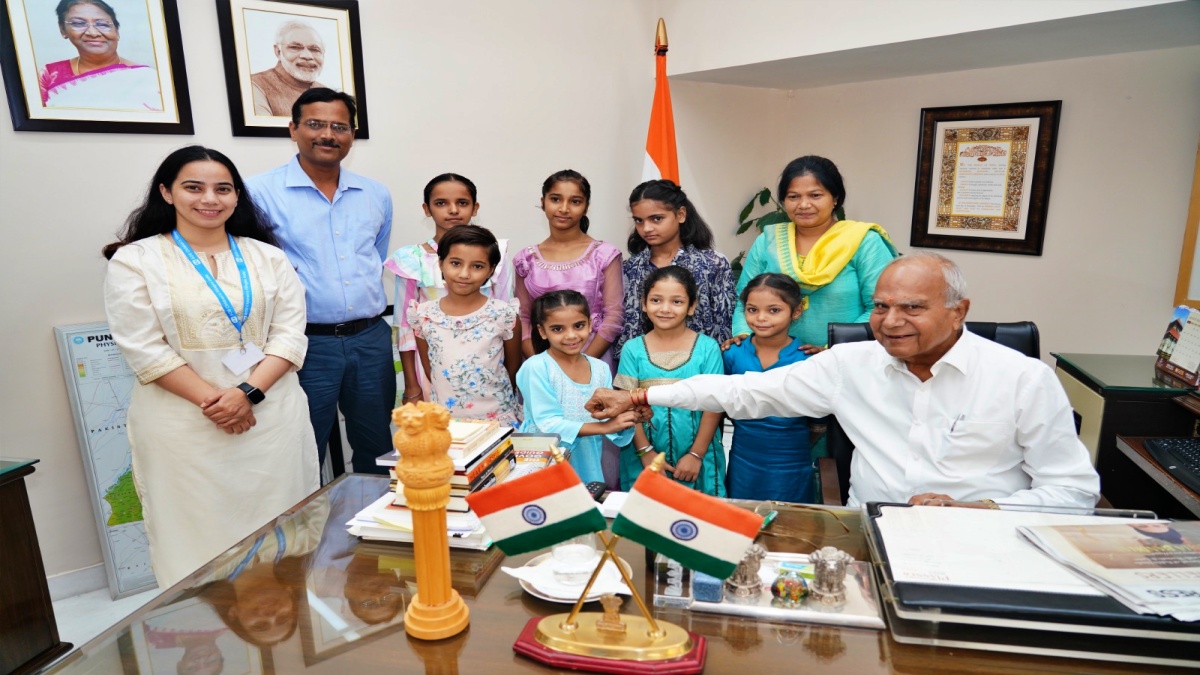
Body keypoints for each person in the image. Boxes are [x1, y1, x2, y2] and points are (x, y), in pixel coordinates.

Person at [587, 253, 1101, 509]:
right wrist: (635, 395)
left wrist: (981, 508)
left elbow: (1075, 489)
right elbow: (741, 392)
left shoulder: (1023, 379)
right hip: (869, 538)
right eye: (881, 306)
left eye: (913, 308)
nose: (891, 320)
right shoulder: (850, 364)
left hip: (983, 540)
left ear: (958, 311)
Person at [102, 146, 319, 588]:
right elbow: (144, 348)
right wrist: (215, 401)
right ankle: (211, 627)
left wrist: (247, 394)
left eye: (223, 188)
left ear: (237, 196)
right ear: (166, 192)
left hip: (272, 420)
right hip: (185, 427)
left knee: (282, 528)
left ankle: (279, 614)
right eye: (193, 187)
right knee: (195, 534)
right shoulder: (136, 260)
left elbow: (289, 335)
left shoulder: (268, 257)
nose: (210, 199)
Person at [246, 88, 394, 477]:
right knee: (300, 448)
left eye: (339, 126)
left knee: (377, 445)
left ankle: (373, 532)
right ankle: (307, 536)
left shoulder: (375, 193)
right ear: (292, 129)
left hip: (371, 339)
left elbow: (374, 257)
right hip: (304, 345)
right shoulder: (258, 193)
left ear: (351, 134)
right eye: (315, 124)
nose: (328, 134)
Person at [730, 155, 897, 350]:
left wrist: (830, 351)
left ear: (835, 198)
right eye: (793, 197)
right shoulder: (768, 241)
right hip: (773, 360)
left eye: (815, 195)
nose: (804, 205)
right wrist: (746, 340)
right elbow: (743, 299)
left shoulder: (864, 242)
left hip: (843, 360)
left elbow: (881, 308)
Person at [385, 174, 513, 404]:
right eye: (441, 203)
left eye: (462, 203)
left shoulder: (496, 254)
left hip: (488, 367)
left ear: (475, 208)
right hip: (432, 367)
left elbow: (507, 319)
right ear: (427, 209)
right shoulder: (412, 259)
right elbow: (404, 326)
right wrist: (412, 385)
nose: (453, 210)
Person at [613, 266, 725, 495]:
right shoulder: (632, 350)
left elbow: (714, 405)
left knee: (701, 521)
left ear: (691, 306)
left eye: (676, 302)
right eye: (656, 300)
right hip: (643, 458)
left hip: (699, 457)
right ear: (643, 304)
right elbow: (625, 405)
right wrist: (646, 453)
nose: (665, 309)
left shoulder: (708, 348)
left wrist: (696, 455)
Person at [516, 291, 637, 484]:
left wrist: (627, 419)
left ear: (590, 324)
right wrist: (605, 426)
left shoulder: (600, 369)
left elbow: (608, 418)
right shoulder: (536, 367)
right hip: (544, 463)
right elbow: (548, 423)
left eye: (578, 326)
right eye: (558, 329)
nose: (571, 335)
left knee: (585, 508)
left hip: (589, 463)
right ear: (542, 331)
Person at [407, 225, 521, 426]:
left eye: (477, 266)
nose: (465, 274)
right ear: (441, 263)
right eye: (456, 263)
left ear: (491, 270)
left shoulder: (504, 314)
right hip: (447, 423)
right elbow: (430, 367)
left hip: (497, 419)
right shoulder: (424, 315)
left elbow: (513, 367)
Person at [513, 170, 624, 368]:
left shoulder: (605, 254)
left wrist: (580, 364)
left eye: (575, 201)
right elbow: (524, 317)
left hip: (593, 362)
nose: (564, 208)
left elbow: (614, 318)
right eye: (556, 199)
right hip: (541, 367)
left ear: (586, 207)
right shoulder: (526, 259)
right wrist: (542, 366)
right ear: (543, 201)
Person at [615, 179, 735, 361]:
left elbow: (724, 326)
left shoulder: (713, 264)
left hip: (700, 370)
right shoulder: (629, 268)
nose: (646, 228)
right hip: (643, 370)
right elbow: (628, 328)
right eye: (639, 221)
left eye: (657, 219)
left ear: (680, 215)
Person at [723, 274, 813, 502]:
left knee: (789, 525)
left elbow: (818, 418)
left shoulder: (807, 360)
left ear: (796, 311)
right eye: (752, 310)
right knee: (741, 522)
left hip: (792, 461)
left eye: (774, 310)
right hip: (744, 456)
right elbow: (721, 402)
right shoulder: (733, 353)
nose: (761, 318)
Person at [39, 0, 162, 110]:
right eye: (78, 23)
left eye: (102, 24)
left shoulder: (148, 79)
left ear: (117, 31)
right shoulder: (50, 74)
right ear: (63, 30)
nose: (92, 33)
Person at [250, 20, 328, 117]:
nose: (307, 56)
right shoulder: (254, 85)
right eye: (295, 47)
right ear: (278, 51)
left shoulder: (328, 94)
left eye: (315, 49)